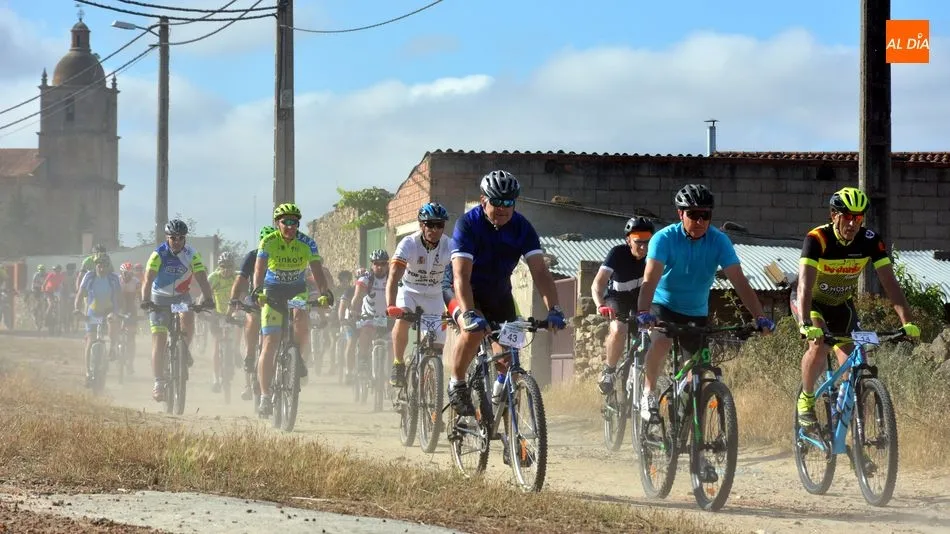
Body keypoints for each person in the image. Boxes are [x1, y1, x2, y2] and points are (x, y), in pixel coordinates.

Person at [636, 184, 775, 422]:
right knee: (662, 343)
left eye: (705, 215)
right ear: (681, 214)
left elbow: (740, 282)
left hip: (696, 311)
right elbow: (649, 281)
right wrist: (642, 311)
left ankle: (689, 423)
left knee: (698, 369)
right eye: (693, 214)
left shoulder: (719, 241)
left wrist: (759, 316)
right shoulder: (663, 239)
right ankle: (648, 393)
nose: (699, 221)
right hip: (663, 305)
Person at [791, 187, 920, 427]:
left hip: (841, 305)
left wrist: (907, 322)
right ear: (834, 215)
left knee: (856, 363)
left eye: (858, 218)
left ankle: (851, 425)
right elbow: (805, 286)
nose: (852, 223)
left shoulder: (870, 240)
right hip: (811, 302)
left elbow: (890, 284)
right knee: (819, 346)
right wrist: (806, 324)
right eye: (847, 216)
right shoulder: (817, 239)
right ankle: (806, 401)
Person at [447, 170, 567, 417]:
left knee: (509, 362)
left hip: (499, 295)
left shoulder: (522, 227)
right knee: (473, 331)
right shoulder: (468, 224)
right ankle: (457, 384)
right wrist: (469, 313)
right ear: (483, 200)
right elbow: (461, 276)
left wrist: (554, 309)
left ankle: (512, 435)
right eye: (496, 201)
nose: (502, 208)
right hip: (461, 290)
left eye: (508, 202)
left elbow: (541, 272)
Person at [253, 204, 331, 416]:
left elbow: (317, 271)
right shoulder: (268, 241)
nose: (290, 226)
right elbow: (259, 269)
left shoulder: (307, 243)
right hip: (272, 290)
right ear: (277, 223)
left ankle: (298, 360)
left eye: (294, 222)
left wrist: (325, 292)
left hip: (297, 290)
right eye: (285, 221)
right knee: (270, 342)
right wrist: (257, 290)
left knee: (301, 322)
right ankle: (265, 396)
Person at [141, 219, 216, 402]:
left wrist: (208, 298)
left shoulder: (191, 254)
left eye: (181, 237)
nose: (177, 241)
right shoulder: (158, 254)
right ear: (168, 237)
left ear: (185, 238)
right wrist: (145, 300)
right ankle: (159, 382)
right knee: (159, 341)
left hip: (180, 298)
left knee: (188, 317)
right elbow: (147, 279)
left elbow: (201, 277)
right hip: (159, 298)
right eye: (173, 237)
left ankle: (184, 349)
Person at [386, 202, 455, 387]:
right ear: (421, 225)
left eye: (439, 224)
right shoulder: (409, 243)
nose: (435, 229)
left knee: (437, 346)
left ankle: (428, 385)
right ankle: (398, 364)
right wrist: (391, 305)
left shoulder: (449, 244)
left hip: (434, 296)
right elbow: (393, 276)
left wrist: (456, 308)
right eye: (430, 224)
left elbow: (460, 275)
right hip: (409, 291)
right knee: (402, 320)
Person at [591, 216, 654, 394]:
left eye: (647, 242)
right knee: (618, 329)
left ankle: (642, 381)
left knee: (651, 336)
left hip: (640, 301)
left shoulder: (654, 256)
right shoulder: (617, 253)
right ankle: (609, 371)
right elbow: (598, 284)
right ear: (628, 240)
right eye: (638, 242)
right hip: (617, 299)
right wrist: (600, 305)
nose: (643, 247)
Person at [230, 226, 274, 401]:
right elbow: (240, 280)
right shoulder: (252, 256)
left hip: (276, 299)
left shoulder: (282, 255)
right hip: (255, 297)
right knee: (252, 318)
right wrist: (233, 300)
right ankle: (249, 354)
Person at [75, 254, 121, 387]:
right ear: (95, 265)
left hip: (109, 309)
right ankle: (88, 372)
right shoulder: (89, 276)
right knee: (90, 340)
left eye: (104, 265)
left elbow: (119, 297)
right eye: (99, 265)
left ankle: (113, 347)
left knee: (112, 320)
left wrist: (120, 312)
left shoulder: (113, 278)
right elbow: (80, 294)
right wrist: (77, 309)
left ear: (108, 266)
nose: (101, 268)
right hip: (93, 310)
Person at [348, 250, 392, 382]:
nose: (380, 267)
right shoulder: (366, 278)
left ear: (387, 265)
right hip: (369, 317)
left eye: (383, 264)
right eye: (376, 264)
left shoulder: (392, 277)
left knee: (392, 344)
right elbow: (357, 297)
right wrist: (353, 311)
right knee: (365, 332)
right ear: (372, 265)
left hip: (387, 318)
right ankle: (362, 360)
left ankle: (391, 373)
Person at [208, 251, 238, 392]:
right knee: (216, 343)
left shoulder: (237, 277)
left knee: (239, 330)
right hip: (218, 313)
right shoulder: (213, 277)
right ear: (219, 266)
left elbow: (244, 292)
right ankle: (215, 378)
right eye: (223, 266)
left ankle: (237, 351)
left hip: (233, 313)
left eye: (229, 266)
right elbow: (206, 293)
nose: (226, 270)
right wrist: (203, 304)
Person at [117, 261, 141, 373]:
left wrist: (143, 309)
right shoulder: (117, 280)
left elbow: (139, 297)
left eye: (130, 273)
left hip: (131, 309)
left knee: (131, 339)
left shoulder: (136, 282)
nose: (128, 276)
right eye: (125, 273)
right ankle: (114, 348)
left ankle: (130, 363)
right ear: (121, 273)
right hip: (119, 306)